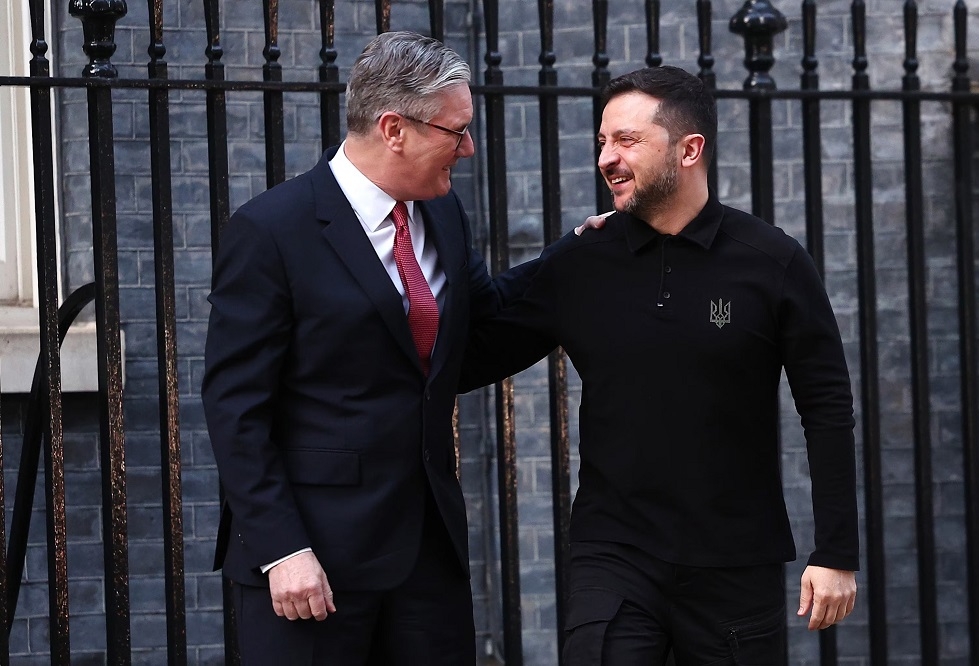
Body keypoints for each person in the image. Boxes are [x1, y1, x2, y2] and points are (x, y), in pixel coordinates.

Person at [461, 65, 859, 665]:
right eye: (602, 141)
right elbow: (474, 352)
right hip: (613, 554)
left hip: (734, 559)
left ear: (689, 148)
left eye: (626, 141)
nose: (606, 158)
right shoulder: (581, 262)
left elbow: (827, 406)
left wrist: (835, 552)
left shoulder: (770, 261)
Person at [202, 31, 568, 665]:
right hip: (312, 566)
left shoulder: (443, 215)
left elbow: (485, 326)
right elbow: (236, 407)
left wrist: (579, 263)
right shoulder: (271, 230)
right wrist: (282, 549)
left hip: (426, 557)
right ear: (394, 128)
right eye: (456, 132)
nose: (469, 147)